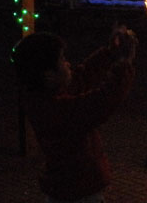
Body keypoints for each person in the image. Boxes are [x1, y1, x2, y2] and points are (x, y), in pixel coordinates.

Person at [13, 26, 137, 203]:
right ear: (49, 76)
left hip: (67, 190)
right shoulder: (54, 111)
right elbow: (101, 102)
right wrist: (124, 65)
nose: (68, 63)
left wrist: (109, 54)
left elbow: (81, 77)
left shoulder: (43, 96)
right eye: (62, 60)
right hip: (79, 193)